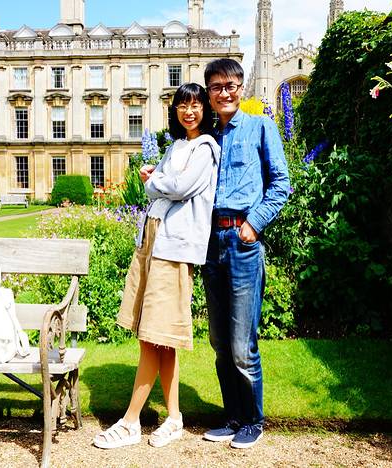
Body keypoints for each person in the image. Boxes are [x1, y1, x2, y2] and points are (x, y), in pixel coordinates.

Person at [92, 83, 220, 449]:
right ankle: (174, 418)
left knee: (152, 336)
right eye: (182, 105)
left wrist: (155, 181)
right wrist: (158, 183)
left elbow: (179, 187)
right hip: (153, 240)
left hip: (174, 247)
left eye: (195, 105)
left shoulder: (206, 148)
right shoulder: (176, 146)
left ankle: (131, 421)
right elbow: (157, 187)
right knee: (160, 337)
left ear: (204, 110)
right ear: (175, 110)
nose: (189, 111)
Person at [201, 58, 290, 449]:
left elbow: (281, 184)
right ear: (209, 93)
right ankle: (233, 417)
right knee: (220, 343)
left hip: (242, 241)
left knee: (241, 344)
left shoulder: (260, 127)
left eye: (230, 85)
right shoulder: (205, 136)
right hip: (210, 243)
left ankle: (254, 420)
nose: (224, 93)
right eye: (216, 87)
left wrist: (253, 225)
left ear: (240, 88)